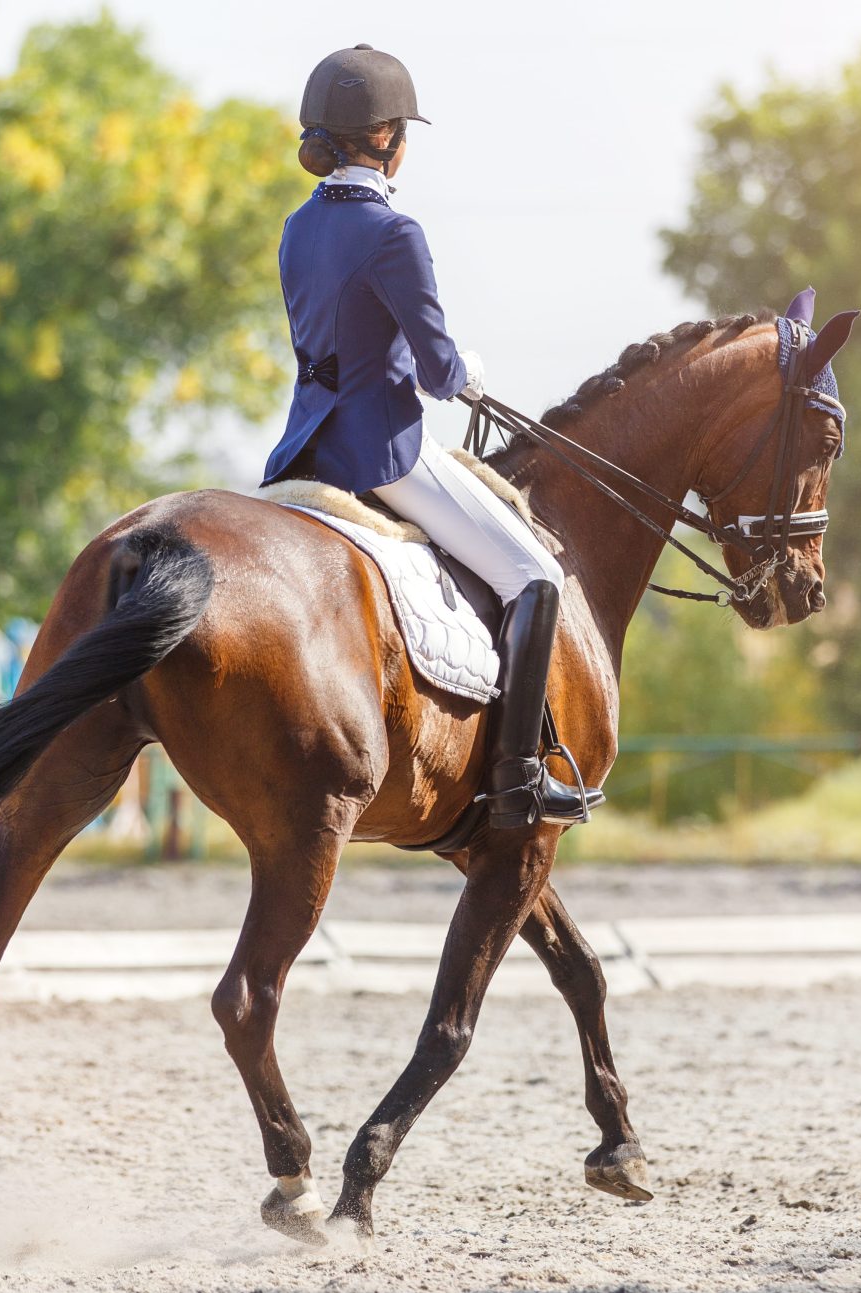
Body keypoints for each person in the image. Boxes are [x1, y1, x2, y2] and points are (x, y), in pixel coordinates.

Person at [264, 44, 602, 829]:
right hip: (382, 454)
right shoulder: (394, 232)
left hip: (306, 449)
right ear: (384, 136)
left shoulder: (297, 228)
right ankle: (519, 776)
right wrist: (470, 374)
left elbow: (334, 343)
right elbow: (439, 369)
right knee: (535, 576)